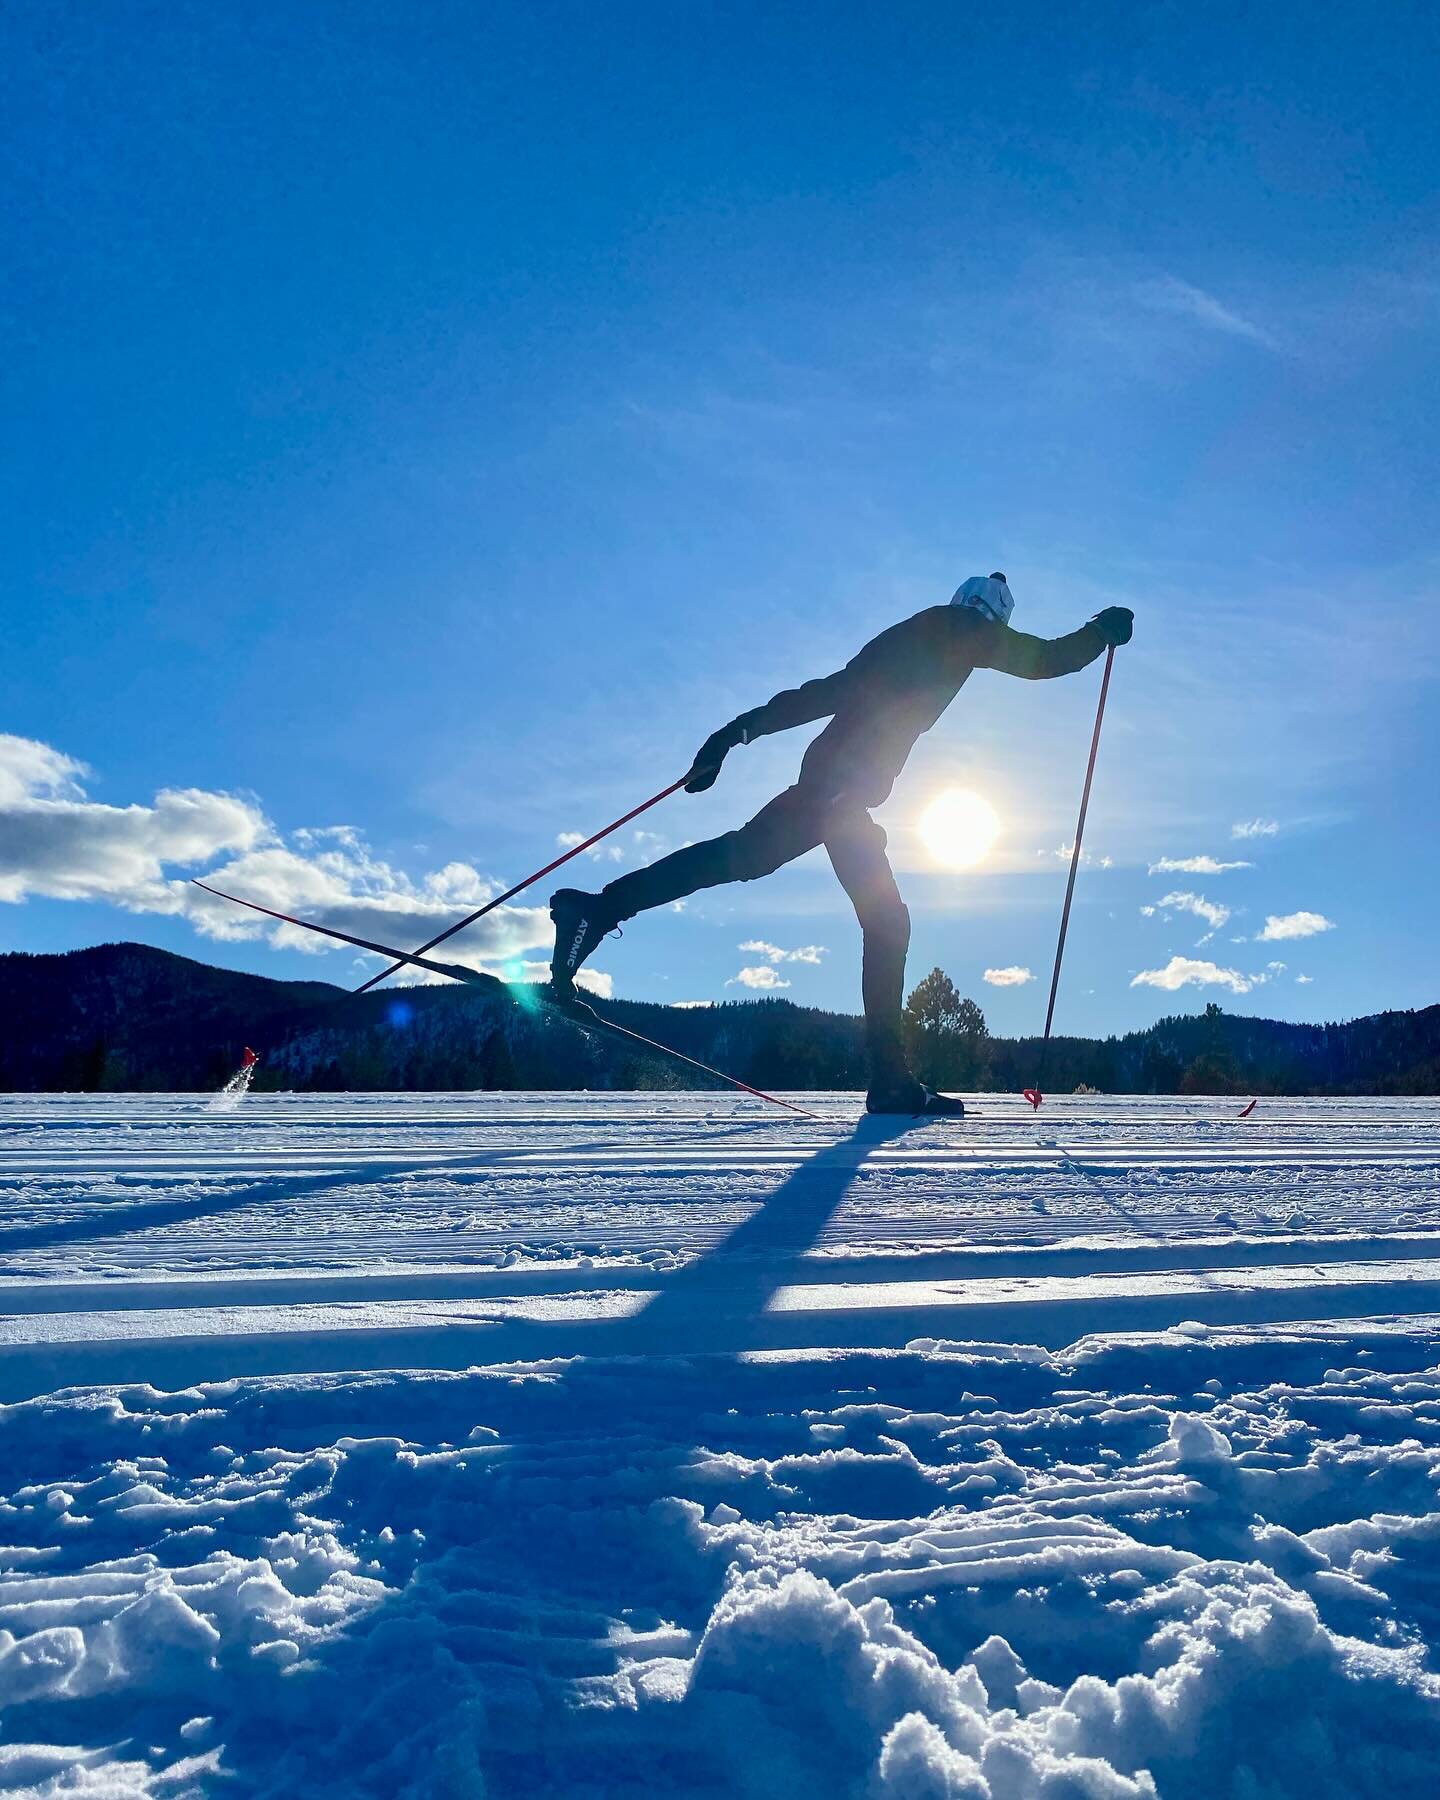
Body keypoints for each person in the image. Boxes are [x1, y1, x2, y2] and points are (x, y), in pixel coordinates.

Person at [549, 574, 1134, 1115]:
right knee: (888, 924)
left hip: (819, 787)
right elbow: (1044, 660)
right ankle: (890, 1082)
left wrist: (733, 734)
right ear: (992, 619)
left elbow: (825, 691)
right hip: (843, 798)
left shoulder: (910, 634)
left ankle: (596, 910)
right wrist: (1099, 632)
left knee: (737, 858)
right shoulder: (968, 633)